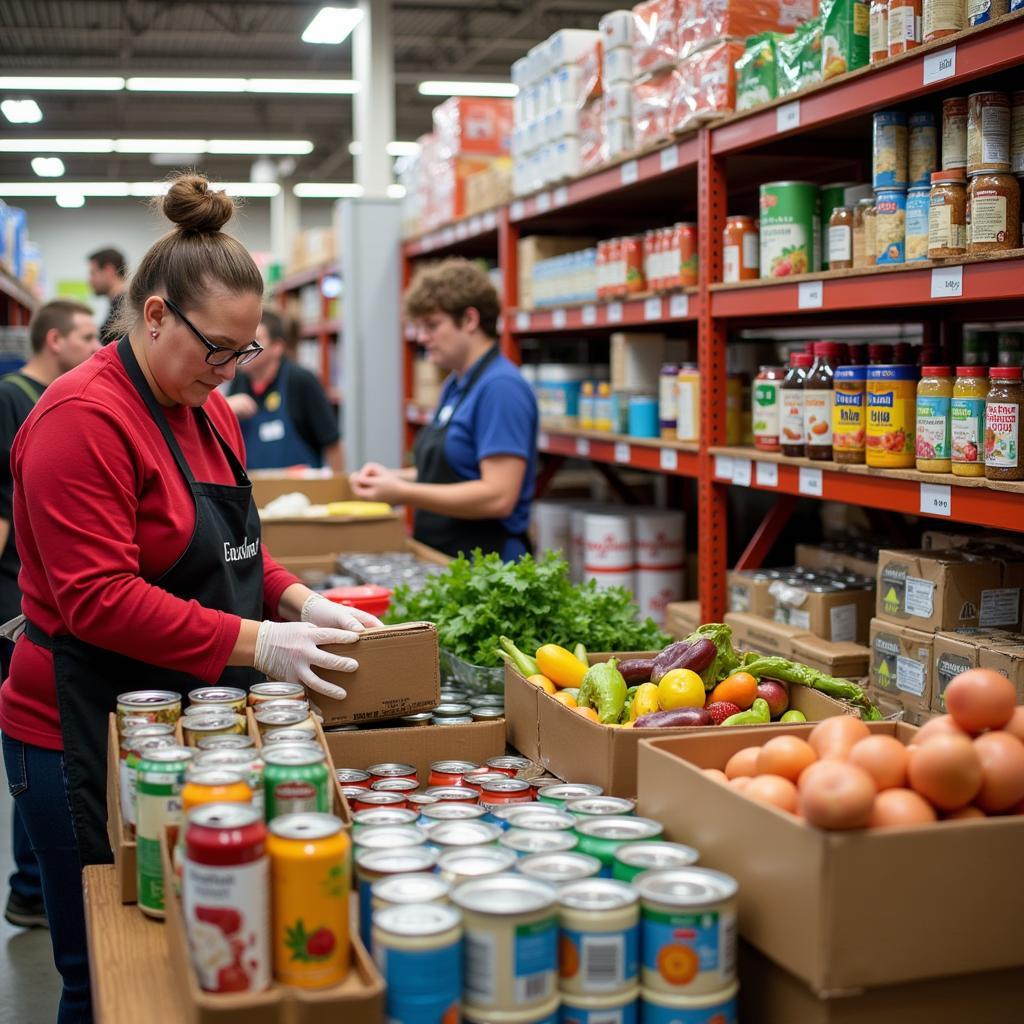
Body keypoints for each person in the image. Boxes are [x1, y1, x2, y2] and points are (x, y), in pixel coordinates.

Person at [0, 174, 379, 1023]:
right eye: (218, 349)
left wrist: (301, 603)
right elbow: (98, 600)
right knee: (106, 974)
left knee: (195, 951)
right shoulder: (80, 421)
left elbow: (232, 550)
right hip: (79, 732)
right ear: (158, 314)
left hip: (184, 718)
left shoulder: (208, 408)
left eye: (244, 353)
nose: (230, 371)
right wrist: (259, 644)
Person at [0, 299, 100, 932]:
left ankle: (32, 884)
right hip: (21, 590)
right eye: (88, 335)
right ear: (55, 338)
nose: (97, 344)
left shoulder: (76, 397)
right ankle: (28, 886)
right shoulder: (23, 399)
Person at [350, 258, 537, 560]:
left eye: (432, 326)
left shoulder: (501, 388)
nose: (422, 338)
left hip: (488, 565)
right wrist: (392, 478)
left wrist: (403, 493)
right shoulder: (456, 384)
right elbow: (452, 470)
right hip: (448, 558)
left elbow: (498, 496)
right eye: (419, 327)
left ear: (470, 320)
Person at [225, 307, 342, 471]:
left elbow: (333, 445)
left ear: (277, 347)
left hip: (302, 493)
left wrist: (336, 489)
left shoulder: (301, 381)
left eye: (255, 341)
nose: (245, 349)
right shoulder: (238, 381)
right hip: (254, 492)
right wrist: (225, 408)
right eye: (244, 341)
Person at [87, 247, 128, 345]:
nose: (89, 280)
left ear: (108, 270)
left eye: (93, 273)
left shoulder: (125, 309)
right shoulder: (120, 305)